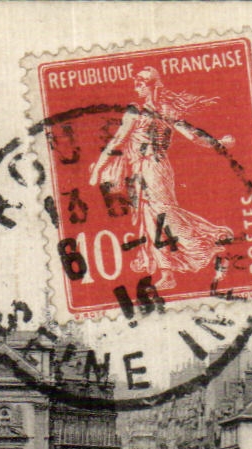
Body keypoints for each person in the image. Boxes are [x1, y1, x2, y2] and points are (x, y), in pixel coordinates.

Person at [86, 67, 236, 291]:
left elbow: (117, 141)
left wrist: (98, 169)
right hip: (155, 169)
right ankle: (168, 273)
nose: (136, 86)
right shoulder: (166, 110)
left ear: (150, 86)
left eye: (140, 82)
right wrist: (218, 143)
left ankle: (208, 248)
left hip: (149, 169)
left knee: (165, 218)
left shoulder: (135, 112)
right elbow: (193, 134)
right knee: (153, 222)